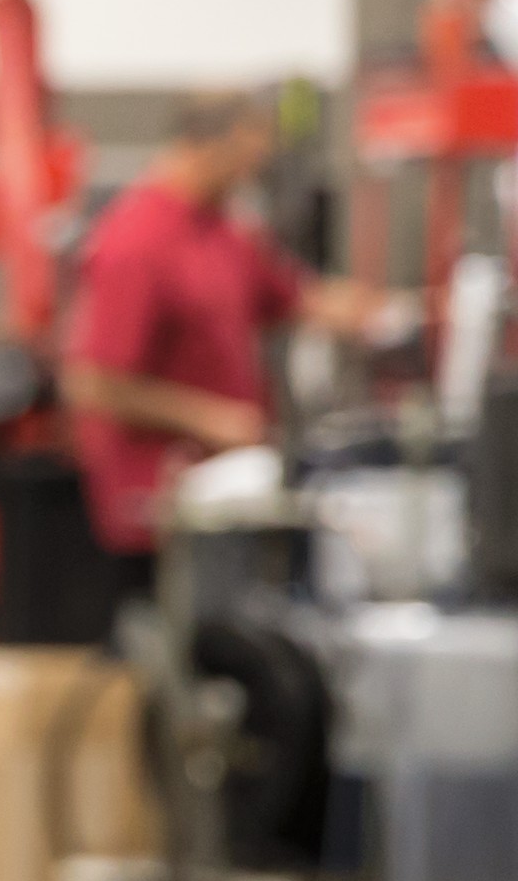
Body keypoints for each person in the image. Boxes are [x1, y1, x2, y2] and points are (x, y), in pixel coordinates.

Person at [61, 85, 383, 597]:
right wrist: (209, 419)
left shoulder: (223, 231)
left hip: (231, 492)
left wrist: (397, 310)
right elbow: (93, 383)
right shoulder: (135, 241)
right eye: (245, 159)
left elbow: (294, 298)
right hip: (163, 504)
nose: (250, 174)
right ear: (211, 145)